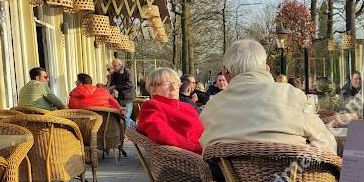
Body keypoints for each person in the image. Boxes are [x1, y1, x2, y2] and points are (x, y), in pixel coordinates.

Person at [200, 39, 337, 154]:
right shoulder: (293, 96)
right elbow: (327, 145)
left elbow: (205, 150)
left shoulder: (212, 108)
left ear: (225, 72)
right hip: (294, 177)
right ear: (267, 68)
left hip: (230, 179)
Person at [137, 68, 204, 153]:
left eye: (176, 82)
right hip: (191, 155)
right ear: (153, 90)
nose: (173, 87)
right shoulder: (152, 105)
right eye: (167, 83)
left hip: (208, 149)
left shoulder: (187, 106)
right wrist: (196, 149)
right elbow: (160, 133)